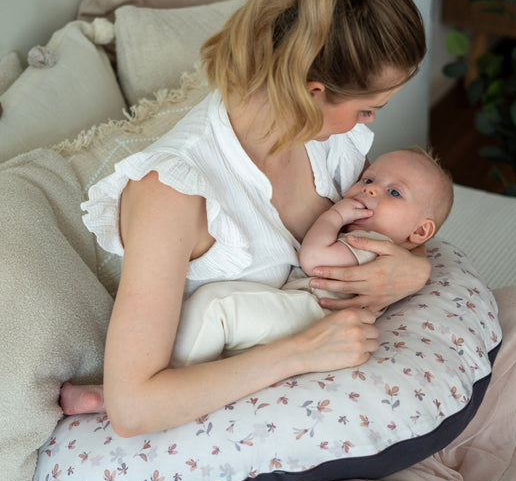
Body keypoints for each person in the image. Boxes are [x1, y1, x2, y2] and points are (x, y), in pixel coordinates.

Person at [60, 0, 430, 436]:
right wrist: (302, 351)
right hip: (213, 411)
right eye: (367, 109)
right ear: (313, 92)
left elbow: (388, 228)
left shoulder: (327, 138)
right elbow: (133, 407)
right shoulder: (174, 192)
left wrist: (414, 270)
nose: (367, 123)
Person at [61, 146, 452, 408]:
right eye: (369, 179)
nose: (370, 192)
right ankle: (143, 388)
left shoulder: (368, 242)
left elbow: (315, 258)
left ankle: (129, 394)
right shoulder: (392, 247)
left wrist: (334, 217)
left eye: (394, 194)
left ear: (420, 232)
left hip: (313, 313)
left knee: (216, 306)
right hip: (304, 309)